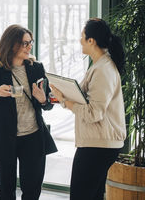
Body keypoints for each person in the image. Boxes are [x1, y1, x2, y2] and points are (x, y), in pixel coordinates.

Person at [0, 24, 57, 200]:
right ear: (11, 44)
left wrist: (43, 99)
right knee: (6, 191)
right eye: (25, 43)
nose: (29, 47)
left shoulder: (36, 68)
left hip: (33, 137)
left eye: (31, 42)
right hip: (4, 138)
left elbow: (48, 104)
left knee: (32, 191)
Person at [50, 18, 126, 200]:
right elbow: (87, 101)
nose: (80, 40)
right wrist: (63, 96)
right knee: (93, 195)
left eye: (82, 36)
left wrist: (65, 101)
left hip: (98, 145)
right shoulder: (100, 66)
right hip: (98, 143)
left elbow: (94, 113)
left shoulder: (103, 69)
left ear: (91, 41)